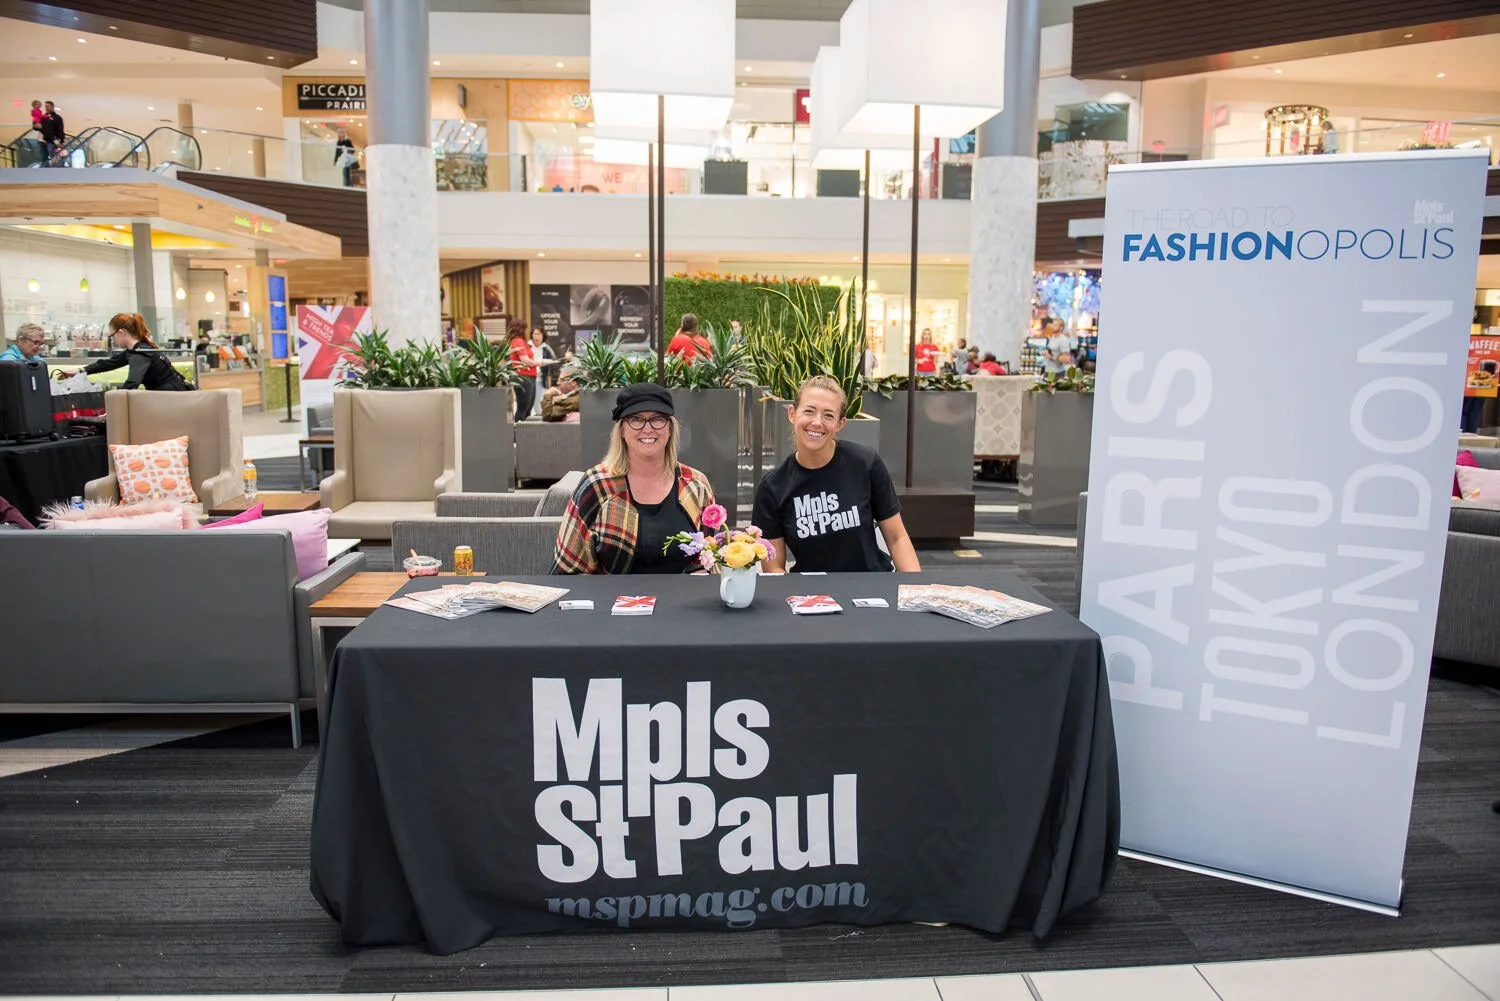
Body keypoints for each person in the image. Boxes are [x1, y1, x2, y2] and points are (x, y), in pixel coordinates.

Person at [752, 375, 920, 574]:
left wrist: (916, 590)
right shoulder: (773, 487)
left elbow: (896, 537)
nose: (817, 422)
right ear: (792, 414)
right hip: (812, 595)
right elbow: (773, 567)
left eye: (828, 415)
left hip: (872, 585)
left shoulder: (865, 463)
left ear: (840, 424)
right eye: (809, 411)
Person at [551, 383, 716, 574]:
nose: (648, 428)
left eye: (658, 419)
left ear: (670, 429)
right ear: (621, 430)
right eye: (636, 419)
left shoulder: (695, 484)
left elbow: (716, 558)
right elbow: (567, 570)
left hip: (684, 600)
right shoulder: (597, 485)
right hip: (612, 600)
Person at [75, 314, 194, 391]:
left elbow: (133, 382)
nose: (113, 340)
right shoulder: (137, 349)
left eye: (112, 336)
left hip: (173, 398)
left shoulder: (139, 353)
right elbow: (110, 363)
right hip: (176, 394)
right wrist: (80, 371)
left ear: (121, 333)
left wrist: (116, 402)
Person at [507, 320, 539, 423]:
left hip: (530, 376)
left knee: (528, 406)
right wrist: (541, 362)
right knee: (523, 406)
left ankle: (524, 432)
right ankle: (517, 432)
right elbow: (525, 360)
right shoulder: (518, 341)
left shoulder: (522, 342)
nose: (526, 330)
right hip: (523, 376)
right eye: (525, 328)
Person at [531, 328, 557, 392]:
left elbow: (553, 363)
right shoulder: (528, 346)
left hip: (542, 379)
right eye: (535, 334)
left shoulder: (547, 349)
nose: (537, 336)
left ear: (543, 336)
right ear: (532, 335)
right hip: (530, 378)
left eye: (539, 334)